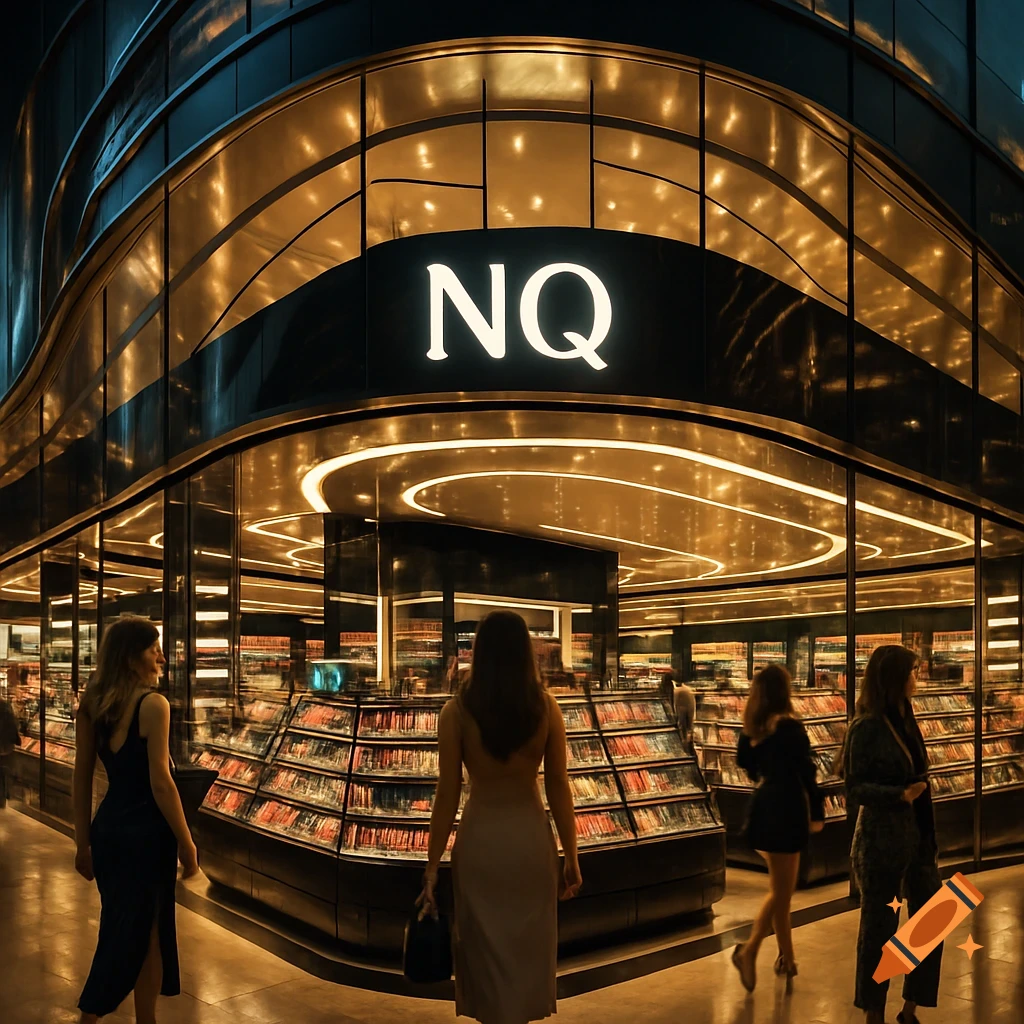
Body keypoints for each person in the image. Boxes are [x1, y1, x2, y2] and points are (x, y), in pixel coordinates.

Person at [417, 610, 581, 1024]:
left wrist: (433, 865)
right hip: (529, 841)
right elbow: (558, 787)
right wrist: (572, 855)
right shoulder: (547, 708)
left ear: (479, 652)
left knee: (484, 953)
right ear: (527, 653)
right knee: (526, 953)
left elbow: (447, 793)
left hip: (481, 843)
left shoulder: (455, 712)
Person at [73, 616, 199, 1024]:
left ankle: (145, 1020)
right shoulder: (153, 705)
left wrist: (82, 842)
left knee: (126, 929)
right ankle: (93, 1012)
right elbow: (161, 783)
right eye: (153, 649)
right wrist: (187, 842)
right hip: (147, 836)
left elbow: (81, 777)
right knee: (141, 936)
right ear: (131, 658)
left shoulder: (94, 703)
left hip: (109, 830)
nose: (161, 656)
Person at [841, 645, 939, 1024]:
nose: (917, 678)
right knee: (879, 928)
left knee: (932, 918)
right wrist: (899, 795)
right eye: (913, 672)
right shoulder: (865, 726)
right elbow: (853, 787)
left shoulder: (908, 716)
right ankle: (873, 1011)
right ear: (894, 677)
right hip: (881, 841)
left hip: (918, 837)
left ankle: (911, 1006)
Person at [731, 664, 824, 992]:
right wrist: (818, 810)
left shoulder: (752, 729)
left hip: (762, 806)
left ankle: (787, 958)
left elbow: (745, 764)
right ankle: (749, 949)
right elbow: (807, 772)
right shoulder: (790, 728)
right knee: (783, 890)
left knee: (781, 890)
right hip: (787, 807)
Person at [660, 671, 696, 744]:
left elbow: (681, 713)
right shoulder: (686, 690)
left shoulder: (679, 692)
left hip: (680, 725)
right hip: (684, 723)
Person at [0, 695, 21, 808]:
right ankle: (4, 795)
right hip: (6, 746)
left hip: (4, 745)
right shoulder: (6, 707)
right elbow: (13, 724)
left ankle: (3, 796)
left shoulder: (5, 707)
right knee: (5, 771)